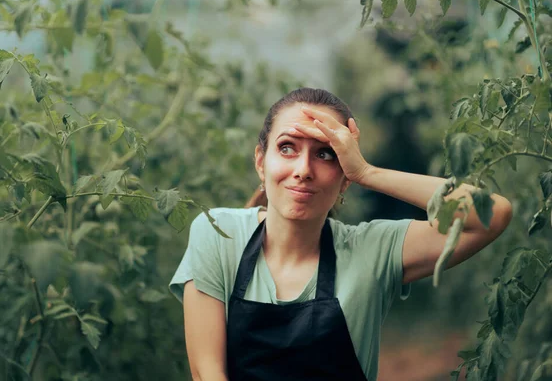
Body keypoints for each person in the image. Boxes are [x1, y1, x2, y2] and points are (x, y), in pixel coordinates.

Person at [169, 88, 513, 381]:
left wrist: (367, 171)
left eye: (326, 154)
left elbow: (491, 214)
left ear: (344, 174)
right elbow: (207, 373)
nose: (303, 170)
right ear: (261, 161)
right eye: (287, 147)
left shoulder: (372, 250)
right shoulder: (218, 233)